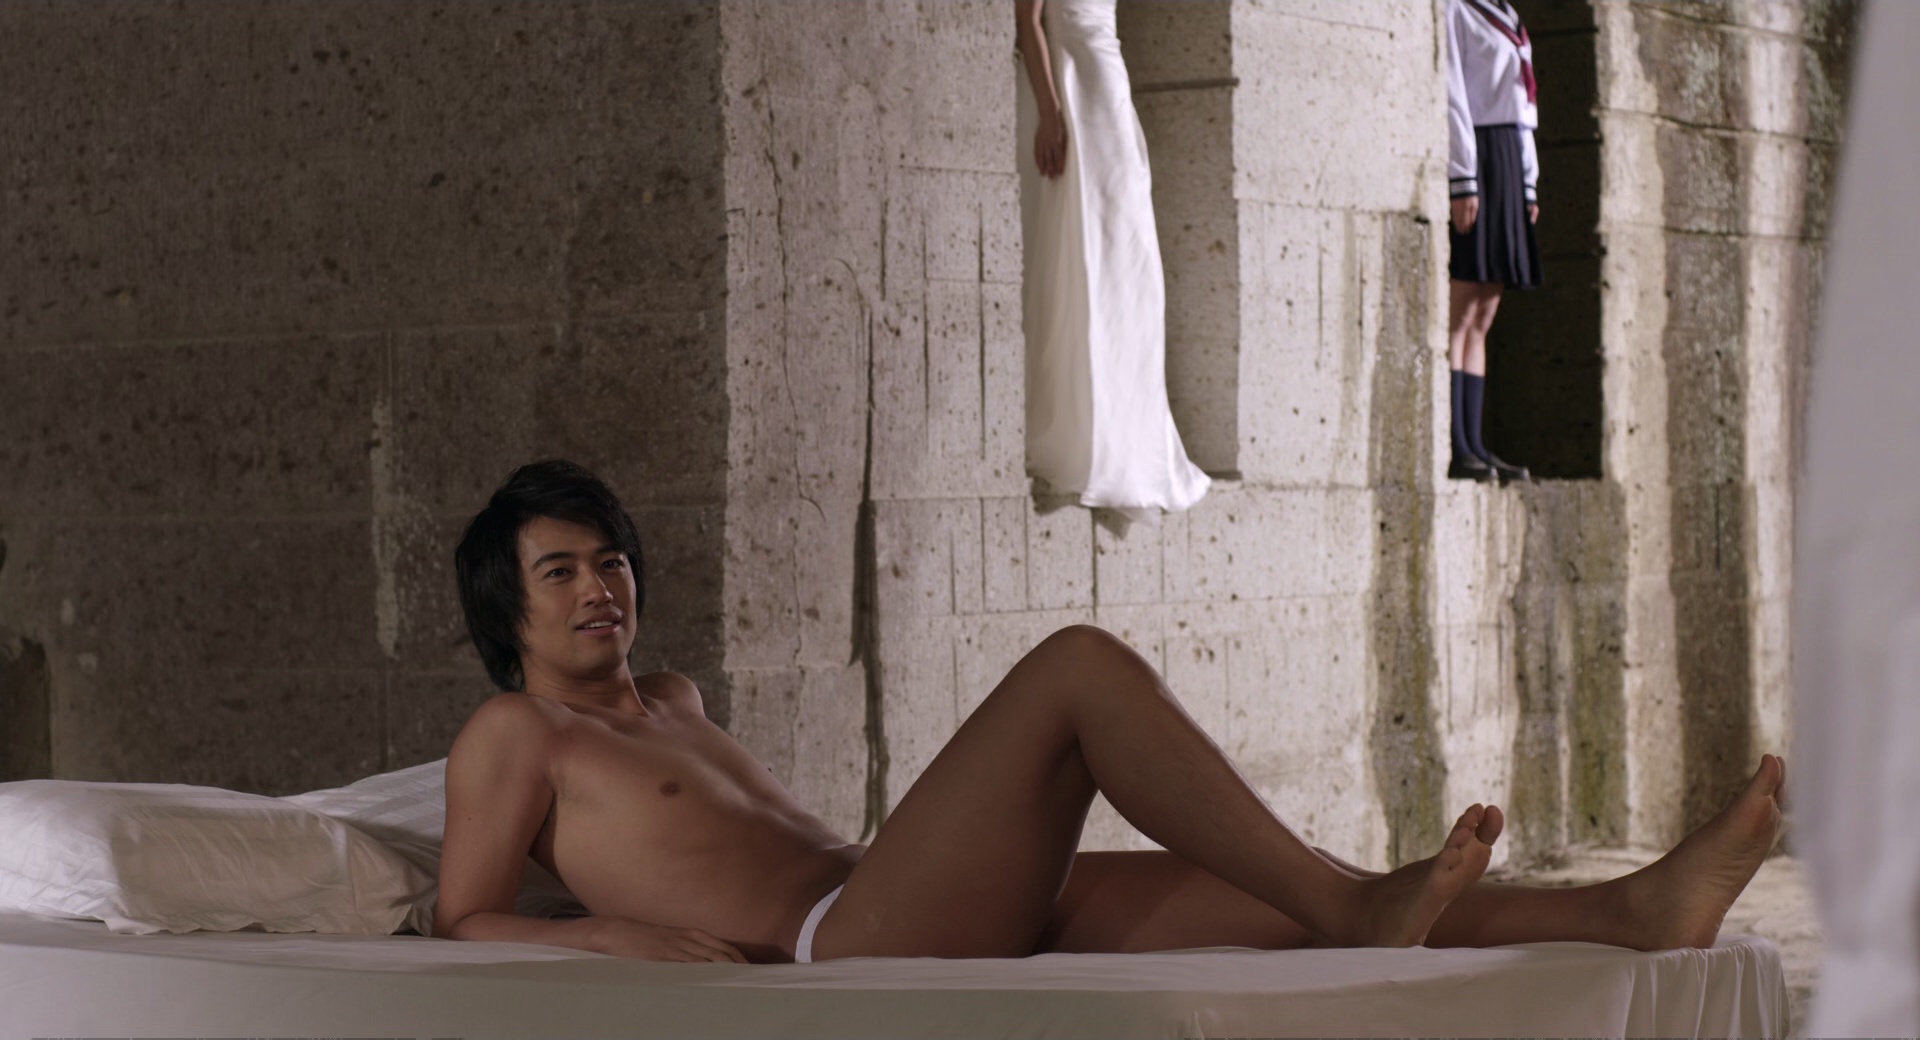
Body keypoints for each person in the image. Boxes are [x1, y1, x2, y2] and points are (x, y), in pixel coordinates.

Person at [435, 459, 1786, 964]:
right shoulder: (517, 736)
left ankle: (1629, 911)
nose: (600, 588)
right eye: (561, 574)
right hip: (840, 939)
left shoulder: (671, 699)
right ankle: (1354, 908)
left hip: (892, 887)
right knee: (1076, 666)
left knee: (1295, 896)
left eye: (610, 561)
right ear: (511, 612)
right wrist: (613, 938)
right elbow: (463, 916)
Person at [1015, 0, 1210, 521]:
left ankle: (1130, 438)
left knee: (1129, 264)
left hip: (1109, 87)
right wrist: (1050, 113)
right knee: (1086, 255)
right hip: (1072, 90)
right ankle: (1084, 434)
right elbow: (1028, 21)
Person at [1445, 0, 1541, 484]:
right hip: (1478, 153)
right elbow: (1453, 92)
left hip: (1507, 154)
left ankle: (1476, 444)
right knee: (1462, 310)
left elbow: (1525, 109)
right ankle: (1456, 445)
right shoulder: (1457, 9)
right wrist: (1463, 176)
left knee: (1485, 313)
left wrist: (1528, 181)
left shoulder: (1511, 16)